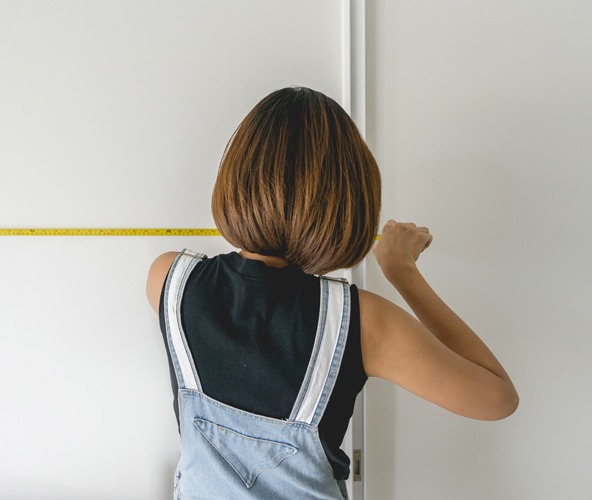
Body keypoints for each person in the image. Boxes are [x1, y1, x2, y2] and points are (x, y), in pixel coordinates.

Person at [145, 87, 518, 500]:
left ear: (236, 178)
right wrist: (402, 273)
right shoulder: (361, 323)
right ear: (346, 200)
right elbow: (497, 398)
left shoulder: (168, 279)